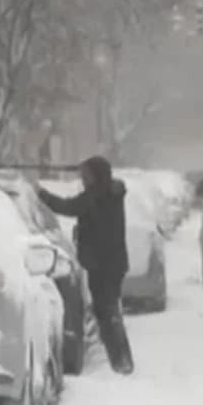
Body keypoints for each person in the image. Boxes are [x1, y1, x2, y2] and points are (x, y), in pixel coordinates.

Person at [35, 156, 134, 375]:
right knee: (108, 311)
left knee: (107, 311)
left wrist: (41, 193)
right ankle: (119, 358)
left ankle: (121, 360)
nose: (83, 179)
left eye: (87, 175)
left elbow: (67, 206)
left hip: (104, 264)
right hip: (110, 263)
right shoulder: (109, 193)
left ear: (96, 176)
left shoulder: (97, 197)